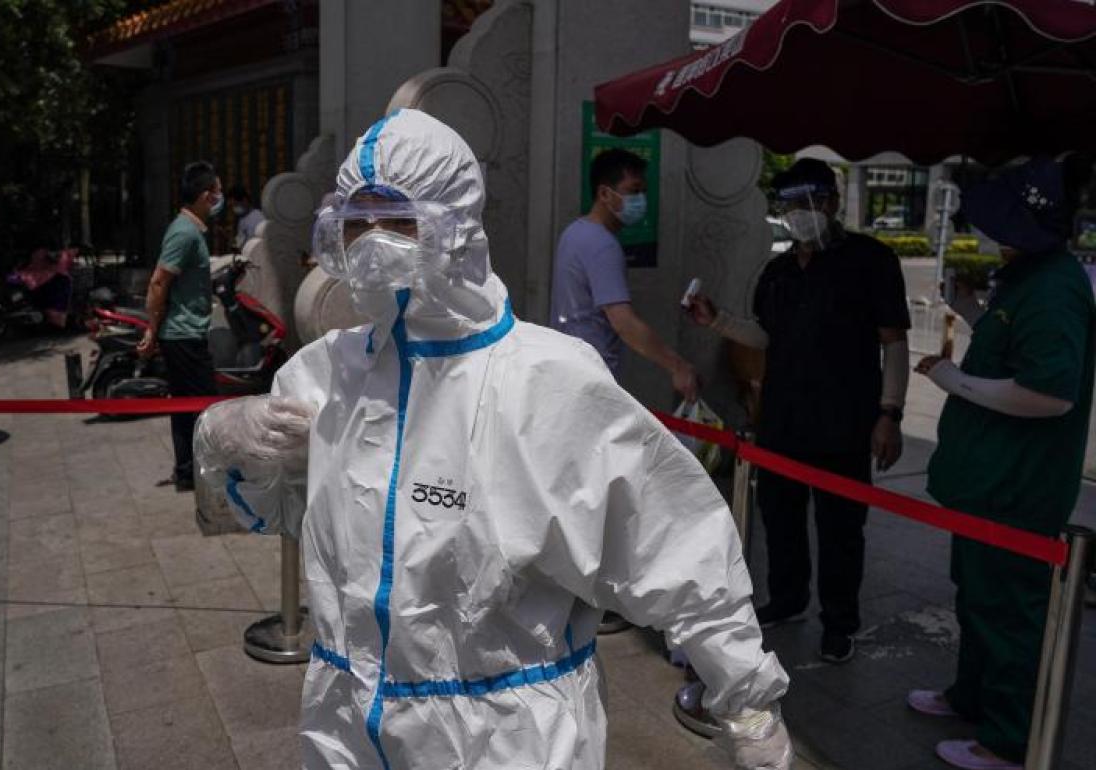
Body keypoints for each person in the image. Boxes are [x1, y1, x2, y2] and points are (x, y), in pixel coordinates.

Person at [195, 109, 793, 770]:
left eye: (396, 221)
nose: (370, 244)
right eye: (356, 223)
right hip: (346, 726)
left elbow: (673, 540)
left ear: (454, 226)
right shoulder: (326, 373)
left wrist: (746, 694)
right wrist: (228, 443)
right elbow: (269, 510)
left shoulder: (548, 381)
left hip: (504, 738)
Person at [909, 156, 1094, 770]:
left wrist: (953, 379)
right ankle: (972, 696)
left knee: (1011, 613)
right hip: (986, 481)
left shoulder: (1055, 287)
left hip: (1017, 487)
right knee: (977, 596)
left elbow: (1049, 393)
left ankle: (1009, 739)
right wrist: (971, 309)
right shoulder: (1026, 276)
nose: (987, 234)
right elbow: (1011, 347)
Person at [688, 158, 911, 663]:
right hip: (783, 418)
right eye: (787, 205)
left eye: (806, 203)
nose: (797, 214)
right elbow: (766, 336)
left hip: (844, 420)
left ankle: (839, 622)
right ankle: (787, 598)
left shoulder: (870, 261)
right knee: (780, 517)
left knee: (840, 528)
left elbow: (894, 341)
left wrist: (890, 413)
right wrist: (717, 320)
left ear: (831, 202)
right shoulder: (779, 271)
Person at [550, 148, 699, 401]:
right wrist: (678, 367)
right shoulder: (603, 245)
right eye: (634, 190)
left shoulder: (574, 232)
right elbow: (624, 323)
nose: (641, 200)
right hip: (592, 381)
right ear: (604, 194)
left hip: (568, 372)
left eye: (643, 192)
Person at [138, 161, 222, 492]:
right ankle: (201, 473)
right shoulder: (184, 232)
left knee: (185, 406)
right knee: (205, 407)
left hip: (185, 333)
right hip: (183, 335)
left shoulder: (191, 229)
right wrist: (151, 329)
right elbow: (159, 282)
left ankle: (187, 471)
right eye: (216, 192)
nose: (219, 199)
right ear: (205, 196)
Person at [228, 185, 265, 250]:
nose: (234, 209)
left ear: (245, 200)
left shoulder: (257, 218)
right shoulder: (242, 219)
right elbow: (240, 241)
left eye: (235, 204)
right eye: (232, 206)